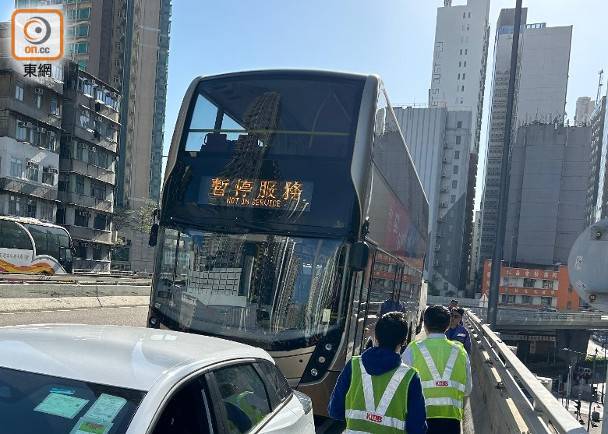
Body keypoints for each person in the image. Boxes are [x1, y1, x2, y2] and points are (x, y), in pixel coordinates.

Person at [328, 312, 427, 433]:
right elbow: (417, 428)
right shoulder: (410, 377)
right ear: (404, 341)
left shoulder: (354, 365)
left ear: (376, 336)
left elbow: (335, 411)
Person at [402, 305, 471, 434]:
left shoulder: (413, 349)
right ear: (447, 325)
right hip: (451, 422)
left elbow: (400, 385)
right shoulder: (460, 351)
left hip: (419, 419)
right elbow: (467, 389)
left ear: (425, 325)